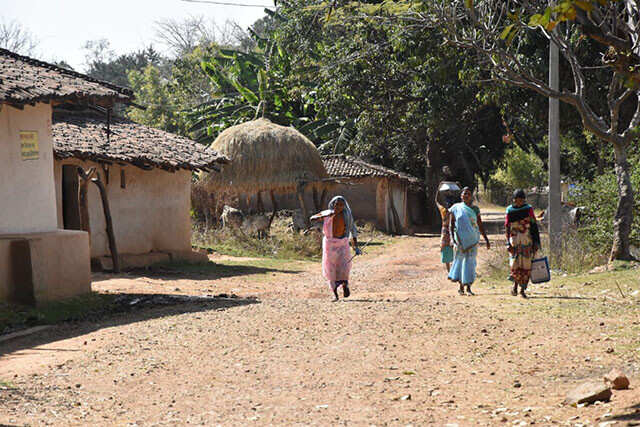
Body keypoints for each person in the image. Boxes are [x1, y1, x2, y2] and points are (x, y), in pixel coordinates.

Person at [311, 196, 360, 301]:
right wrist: (323, 216)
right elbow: (312, 219)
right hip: (329, 245)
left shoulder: (347, 215)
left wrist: (356, 247)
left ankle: (345, 284)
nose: (338, 207)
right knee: (330, 268)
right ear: (333, 205)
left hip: (343, 243)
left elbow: (353, 230)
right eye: (337, 205)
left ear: (344, 206)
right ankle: (335, 294)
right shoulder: (327, 214)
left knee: (344, 266)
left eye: (341, 205)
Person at [448, 187, 490, 295]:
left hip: (472, 240)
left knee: (470, 263)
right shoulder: (456, 208)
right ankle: (461, 287)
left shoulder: (475, 209)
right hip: (460, 241)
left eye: (468, 194)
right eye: (464, 194)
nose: (466, 195)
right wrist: (452, 239)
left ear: (471, 196)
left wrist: (486, 239)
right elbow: (451, 225)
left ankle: (469, 288)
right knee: (461, 262)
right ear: (461, 196)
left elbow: (480, 224)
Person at [505, 189, 540, 298]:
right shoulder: (509, 210)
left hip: (527, 241)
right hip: (515, 242)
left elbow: (534, 226)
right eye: (517, 200)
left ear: (524, 200)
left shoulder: (528, 209)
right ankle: (515, 287)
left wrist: (536, 242)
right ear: (513, 200)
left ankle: (522, 290)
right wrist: (508, 243)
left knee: (526, 265)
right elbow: (507, 227)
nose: (519, 202)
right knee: (515, 265)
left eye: (521, 200)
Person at [436, 181, 459, 272]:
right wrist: (459, 187)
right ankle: (451, 270)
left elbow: (436, 201)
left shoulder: (444, 210)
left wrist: (438, 188)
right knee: (453, 249)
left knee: (448, 250)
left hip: (447, 232)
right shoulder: (455, 210)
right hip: (452, 231)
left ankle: (450, 271)